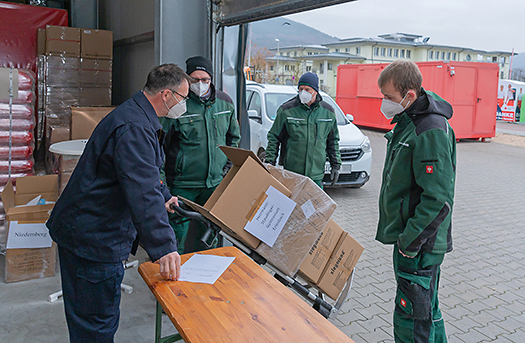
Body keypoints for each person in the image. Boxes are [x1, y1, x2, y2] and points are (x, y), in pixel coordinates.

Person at [46, 64, 190, 342]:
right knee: (96, 325)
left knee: (91, 320)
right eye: (183, 99)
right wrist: (164, 247)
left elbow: (143, 174)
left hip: (88, 231)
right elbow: (141, 192)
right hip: (94, 240)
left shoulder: (136, 115)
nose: (183, 105)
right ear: (166, 95)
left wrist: (164, 196)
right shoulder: (135, 127)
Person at [375, 60, 456, 343]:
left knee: (412, 317)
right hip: (414, 240)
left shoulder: (429, 130)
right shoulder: (410, 121)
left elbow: (437, 198)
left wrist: (409, 241)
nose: (385, 103)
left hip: (419, 243)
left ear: (410, 95)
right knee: (428, 310)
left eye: (389, 98)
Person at [160, 56, 241, 254]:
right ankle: (175, 277)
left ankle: (204, 277)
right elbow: (159, 147)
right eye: (195, 80)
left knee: (209, 237)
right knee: (175, 236)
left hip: (213, 185)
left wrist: (227, 168)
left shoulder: (225, 102)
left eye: (205, 79)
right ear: (187, 80)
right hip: (182, 186)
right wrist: (162, 184)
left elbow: (234, 138)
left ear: (211, 79)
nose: (200, 84)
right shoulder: (178, 104)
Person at [265, 72, 341, 188]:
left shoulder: (328, 112)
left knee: (314, 206)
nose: (303, 92)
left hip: (316, 174)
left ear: (315, 91)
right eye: (300, 89)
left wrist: (335, 165)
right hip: (292, 173)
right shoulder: (287, 110)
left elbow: (333, 141)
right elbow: (274, 137)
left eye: (307, 89)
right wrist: (270, 162)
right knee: (292, 205)